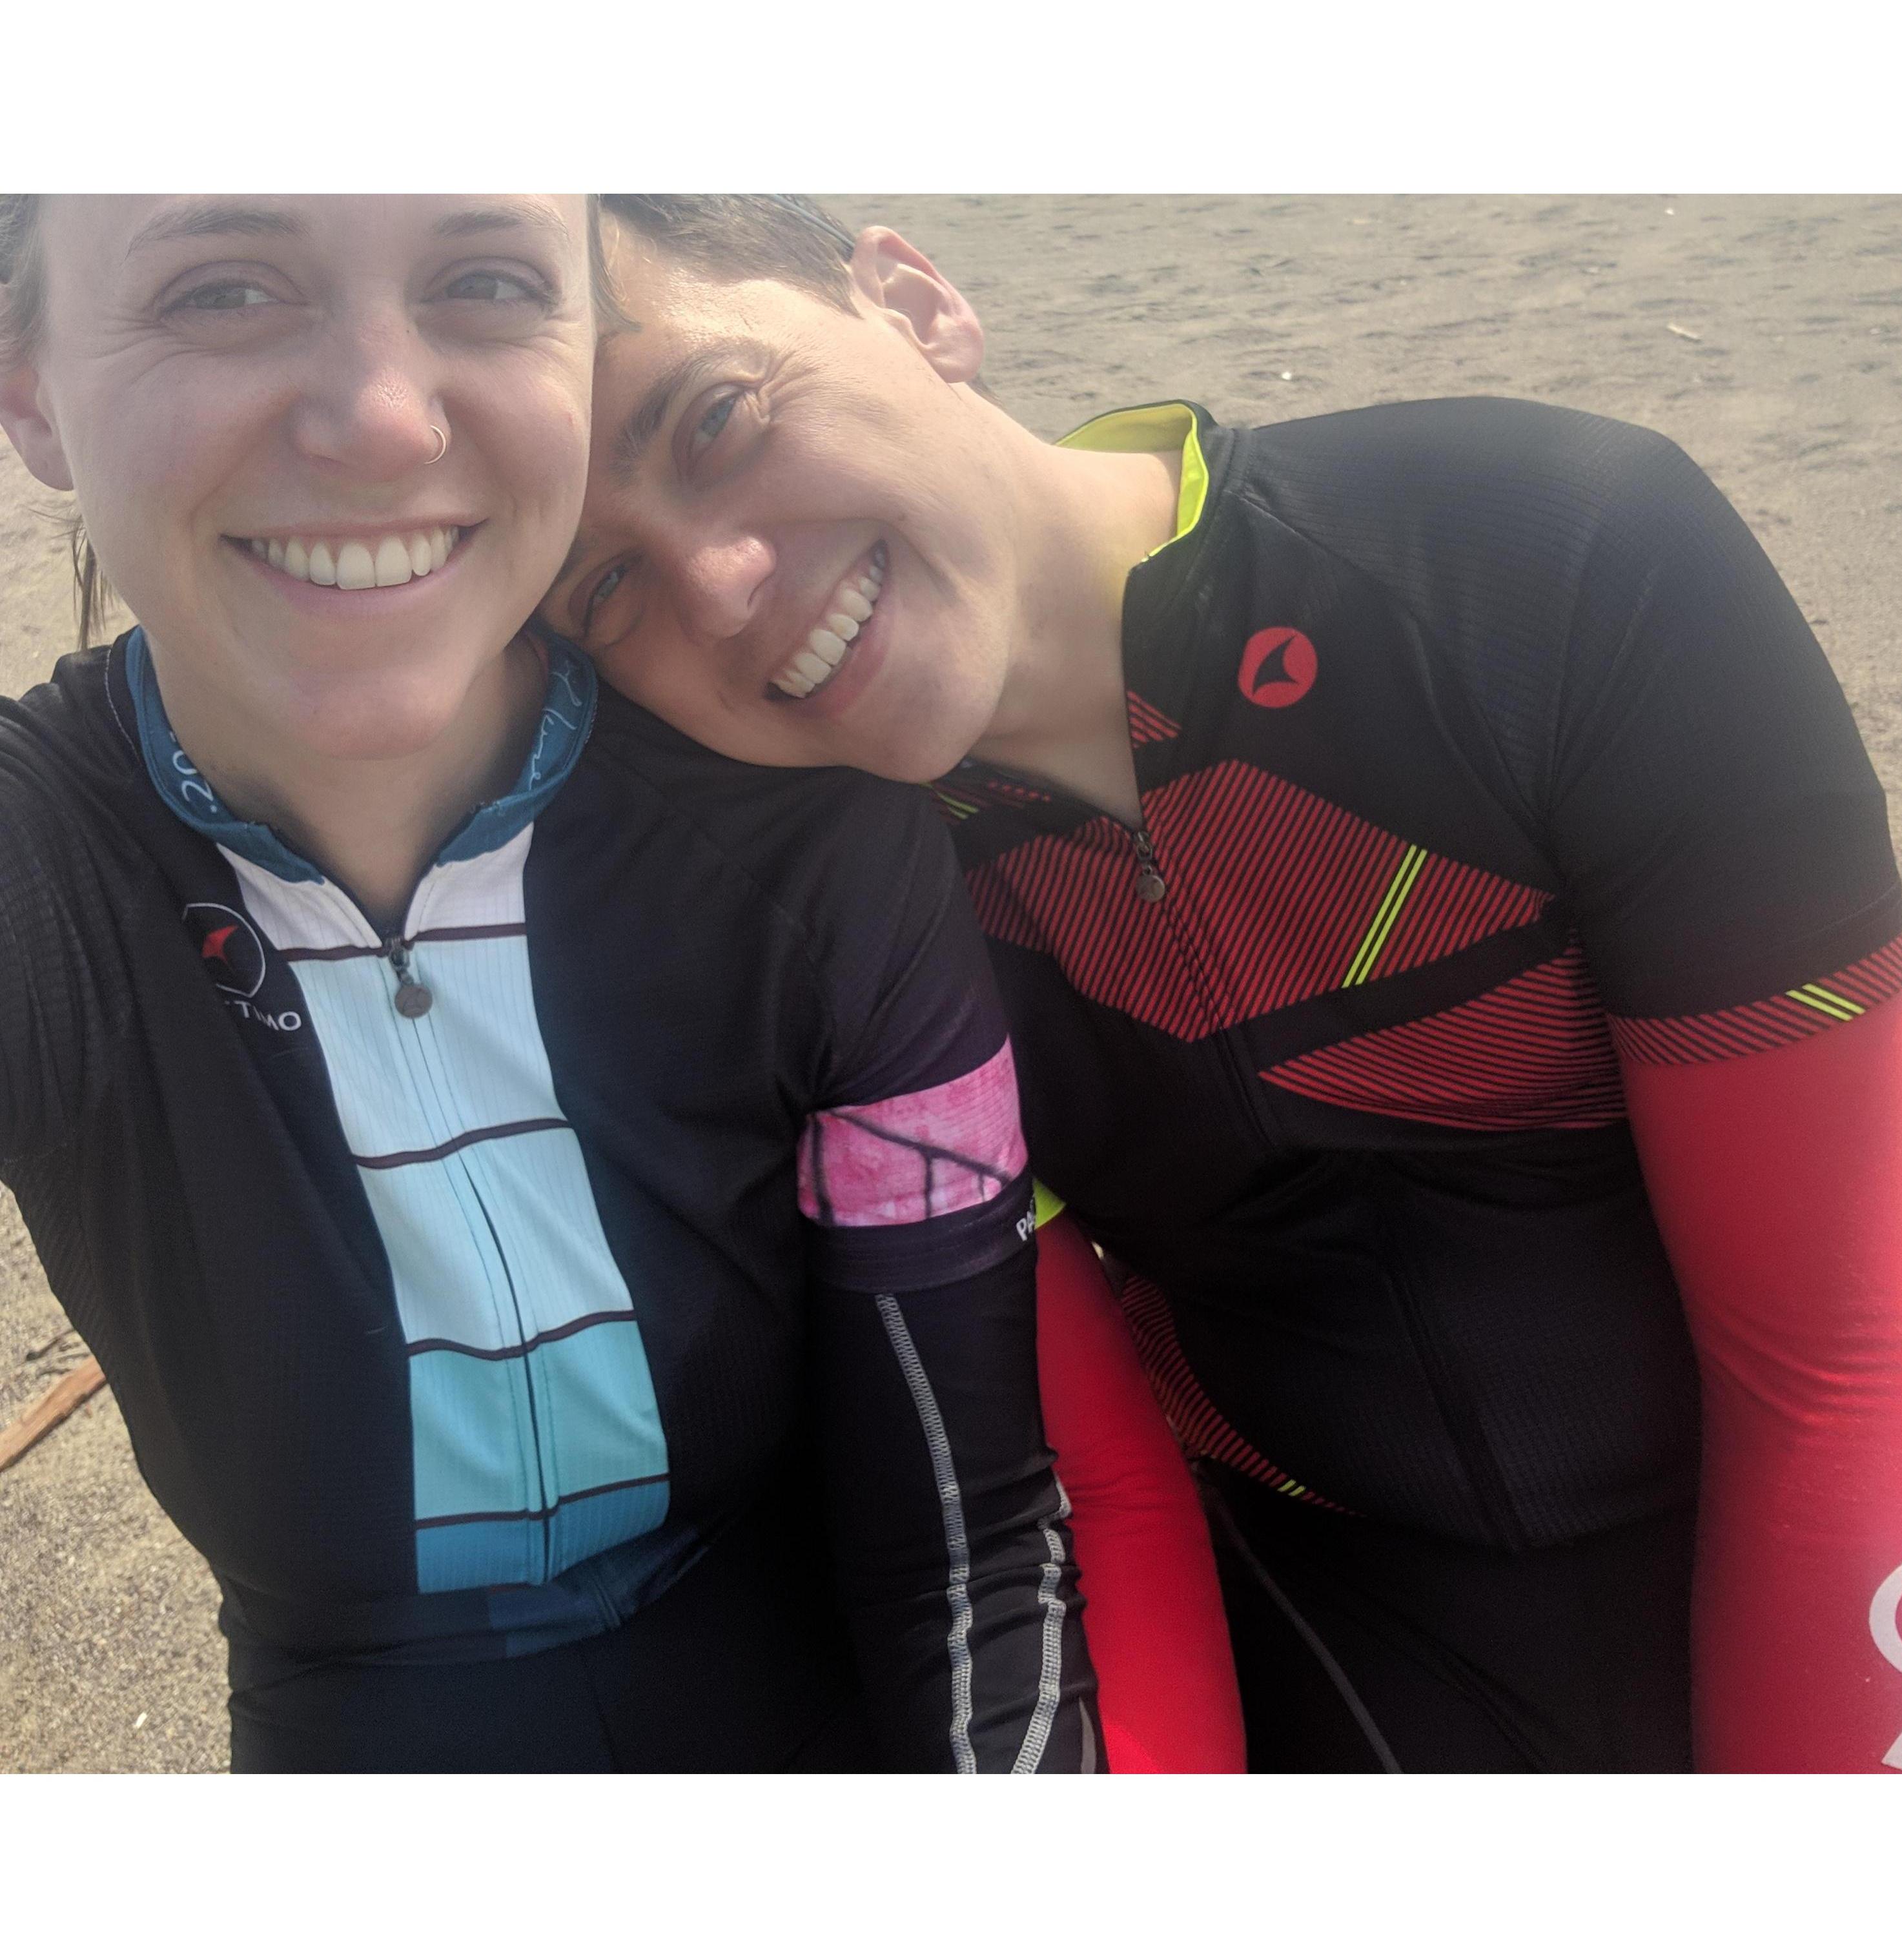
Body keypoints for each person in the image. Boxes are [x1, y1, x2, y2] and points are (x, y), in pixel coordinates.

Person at [541, 193, 1902, 1772]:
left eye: (719, 420)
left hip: (1818, 1516)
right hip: (1332, 1623)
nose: (718, 585)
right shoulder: (842, 910)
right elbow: (1109, 1483)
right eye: (602, 589)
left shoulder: (1548, 563)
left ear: (916, 304)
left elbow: (1820, 1373)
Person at [0, 192, 1242, 1773]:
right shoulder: (47, 857)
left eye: (480, 279)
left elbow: (966, 1532)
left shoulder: (810, 840)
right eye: (227, 289)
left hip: (819, 1650)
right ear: (27, 380)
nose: (382, 420)